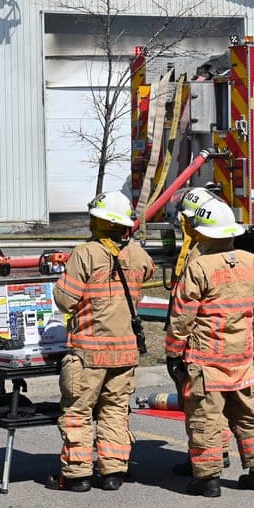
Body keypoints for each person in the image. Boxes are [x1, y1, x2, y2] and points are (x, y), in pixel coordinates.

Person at [165, 198, 254, 498]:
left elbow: (182, 316)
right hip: (241, 356)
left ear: (203, 233)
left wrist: (174, 352)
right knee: (247, 413)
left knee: (206, 417)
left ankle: (208, 479)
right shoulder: (253, 262)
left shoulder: (198, 266)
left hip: (206, 359)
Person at [51, 191, 155, 492]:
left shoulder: (86, 253)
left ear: (101, 222)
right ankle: (113, 473)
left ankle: (77, 474)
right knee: (114, 410)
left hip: (88, 354)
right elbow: (147, 270)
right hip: (125, 353)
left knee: (79, 413)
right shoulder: (136, 254)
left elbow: (64, 300)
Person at [167, 186, 234, 477]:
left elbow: (185, 309)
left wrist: (174, 349)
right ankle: (220, 451)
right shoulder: (217, 250)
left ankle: (207, 463)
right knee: (214, 404)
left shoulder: (198, 256)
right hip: (225, 341)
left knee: (200, 406)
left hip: (200, 344)